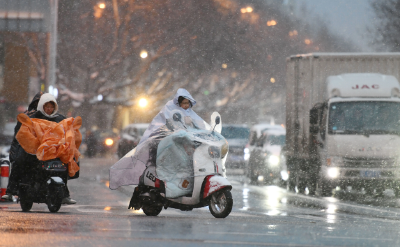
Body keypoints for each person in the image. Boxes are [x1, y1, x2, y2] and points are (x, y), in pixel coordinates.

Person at [2, 93, 76, 204]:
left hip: (54, 152)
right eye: (47, 107)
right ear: (41, 106)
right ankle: (10, 191)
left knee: (64, 164)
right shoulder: (30, 117)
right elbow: (22, 135)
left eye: (51, 107)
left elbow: (68, 133)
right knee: (19, 162)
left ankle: (65, 195)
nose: (49, 109)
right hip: (34, 151)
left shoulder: (60, 118)